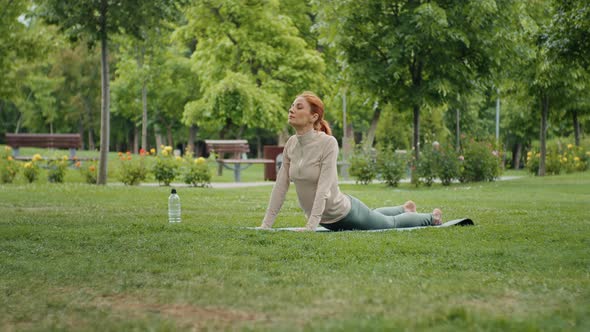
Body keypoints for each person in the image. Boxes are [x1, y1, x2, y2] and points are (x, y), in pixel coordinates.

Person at [260, 91, 442, 232]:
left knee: (389, 223)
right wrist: (266, 225)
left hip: (345, 213)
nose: (292, 110)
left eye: (299, 107)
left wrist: (311, 225)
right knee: (374, 215)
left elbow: (324, 187)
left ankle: (431, 218)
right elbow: (280, 186)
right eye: (292, 106)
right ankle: (404, 208)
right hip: (326, 219)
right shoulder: (291, 143)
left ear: (313, 117)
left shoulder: (327, 143)